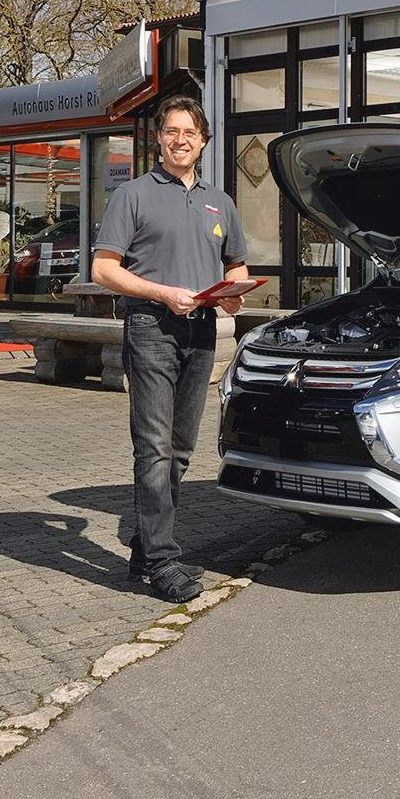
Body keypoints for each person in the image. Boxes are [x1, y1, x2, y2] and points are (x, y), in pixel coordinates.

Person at [90, 93, 251, 600]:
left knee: (180, 450)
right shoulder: (132, 195)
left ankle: (144, 547)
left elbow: (235, 267)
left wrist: (233, 296)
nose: (181, 140)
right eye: (171, 131)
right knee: (154, 447)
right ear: (158, 138)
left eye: (191, 133)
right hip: (151, 328)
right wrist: (162, 293)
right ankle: (162, 561)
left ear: (203, 142)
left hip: (201, 331)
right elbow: (103, 269)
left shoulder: (219, 201)